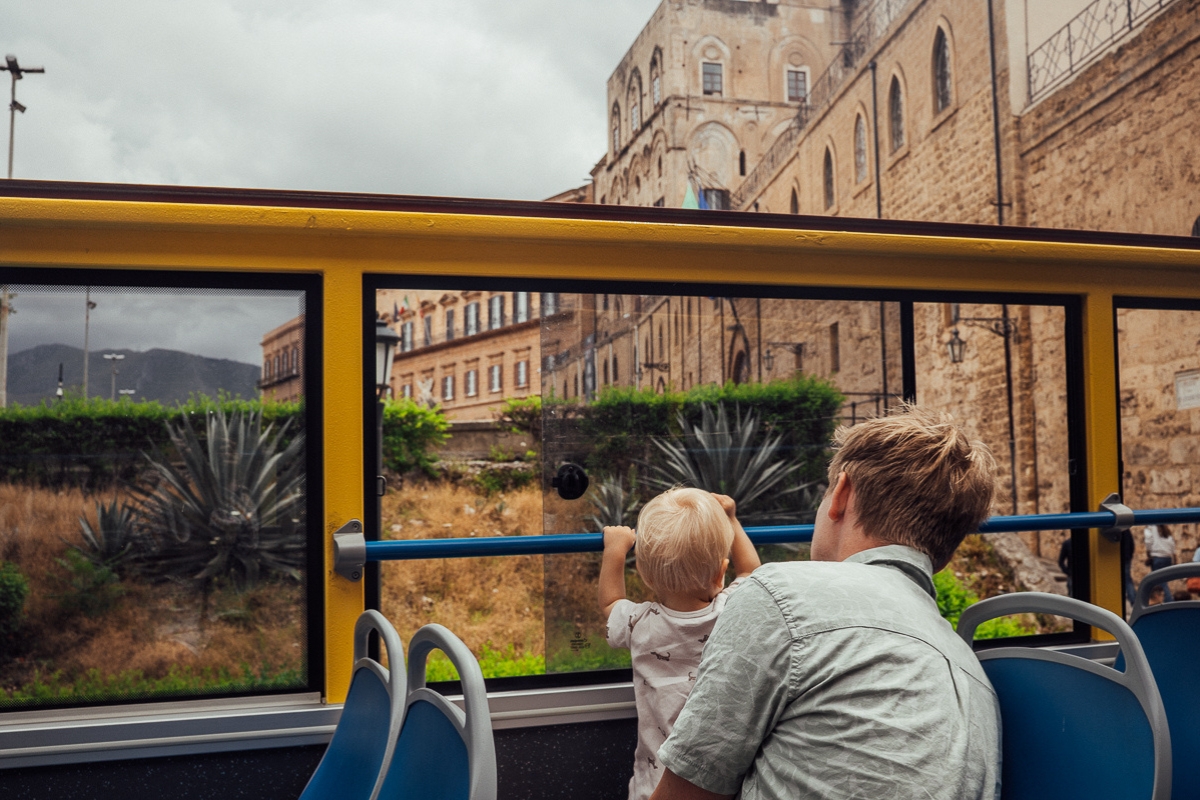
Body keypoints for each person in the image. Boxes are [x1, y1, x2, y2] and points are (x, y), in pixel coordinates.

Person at [650, 405, 1002, 800]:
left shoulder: (782, 595)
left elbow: (686, 795)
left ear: (842, 493)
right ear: (948, 550)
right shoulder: (973, 675)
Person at [600, 487, 761, 800]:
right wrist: (732, 519)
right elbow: (751, 570)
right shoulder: (733, 610)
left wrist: (615, 552)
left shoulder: (639, 623)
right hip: (718, 782)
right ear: (721, 573)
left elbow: (611, 603)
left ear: (644, 574)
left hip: (656, 784)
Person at [1143, 523, 1176, 603]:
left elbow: (1148, 540)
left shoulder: (1150, 528)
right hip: (1167, 558)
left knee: (1161, 582)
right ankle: (1165, 599)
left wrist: (1148, 552)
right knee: (1163, 581)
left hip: (1157, 557)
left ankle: (1169, 601)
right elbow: (1172, 544)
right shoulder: (1166, 530)